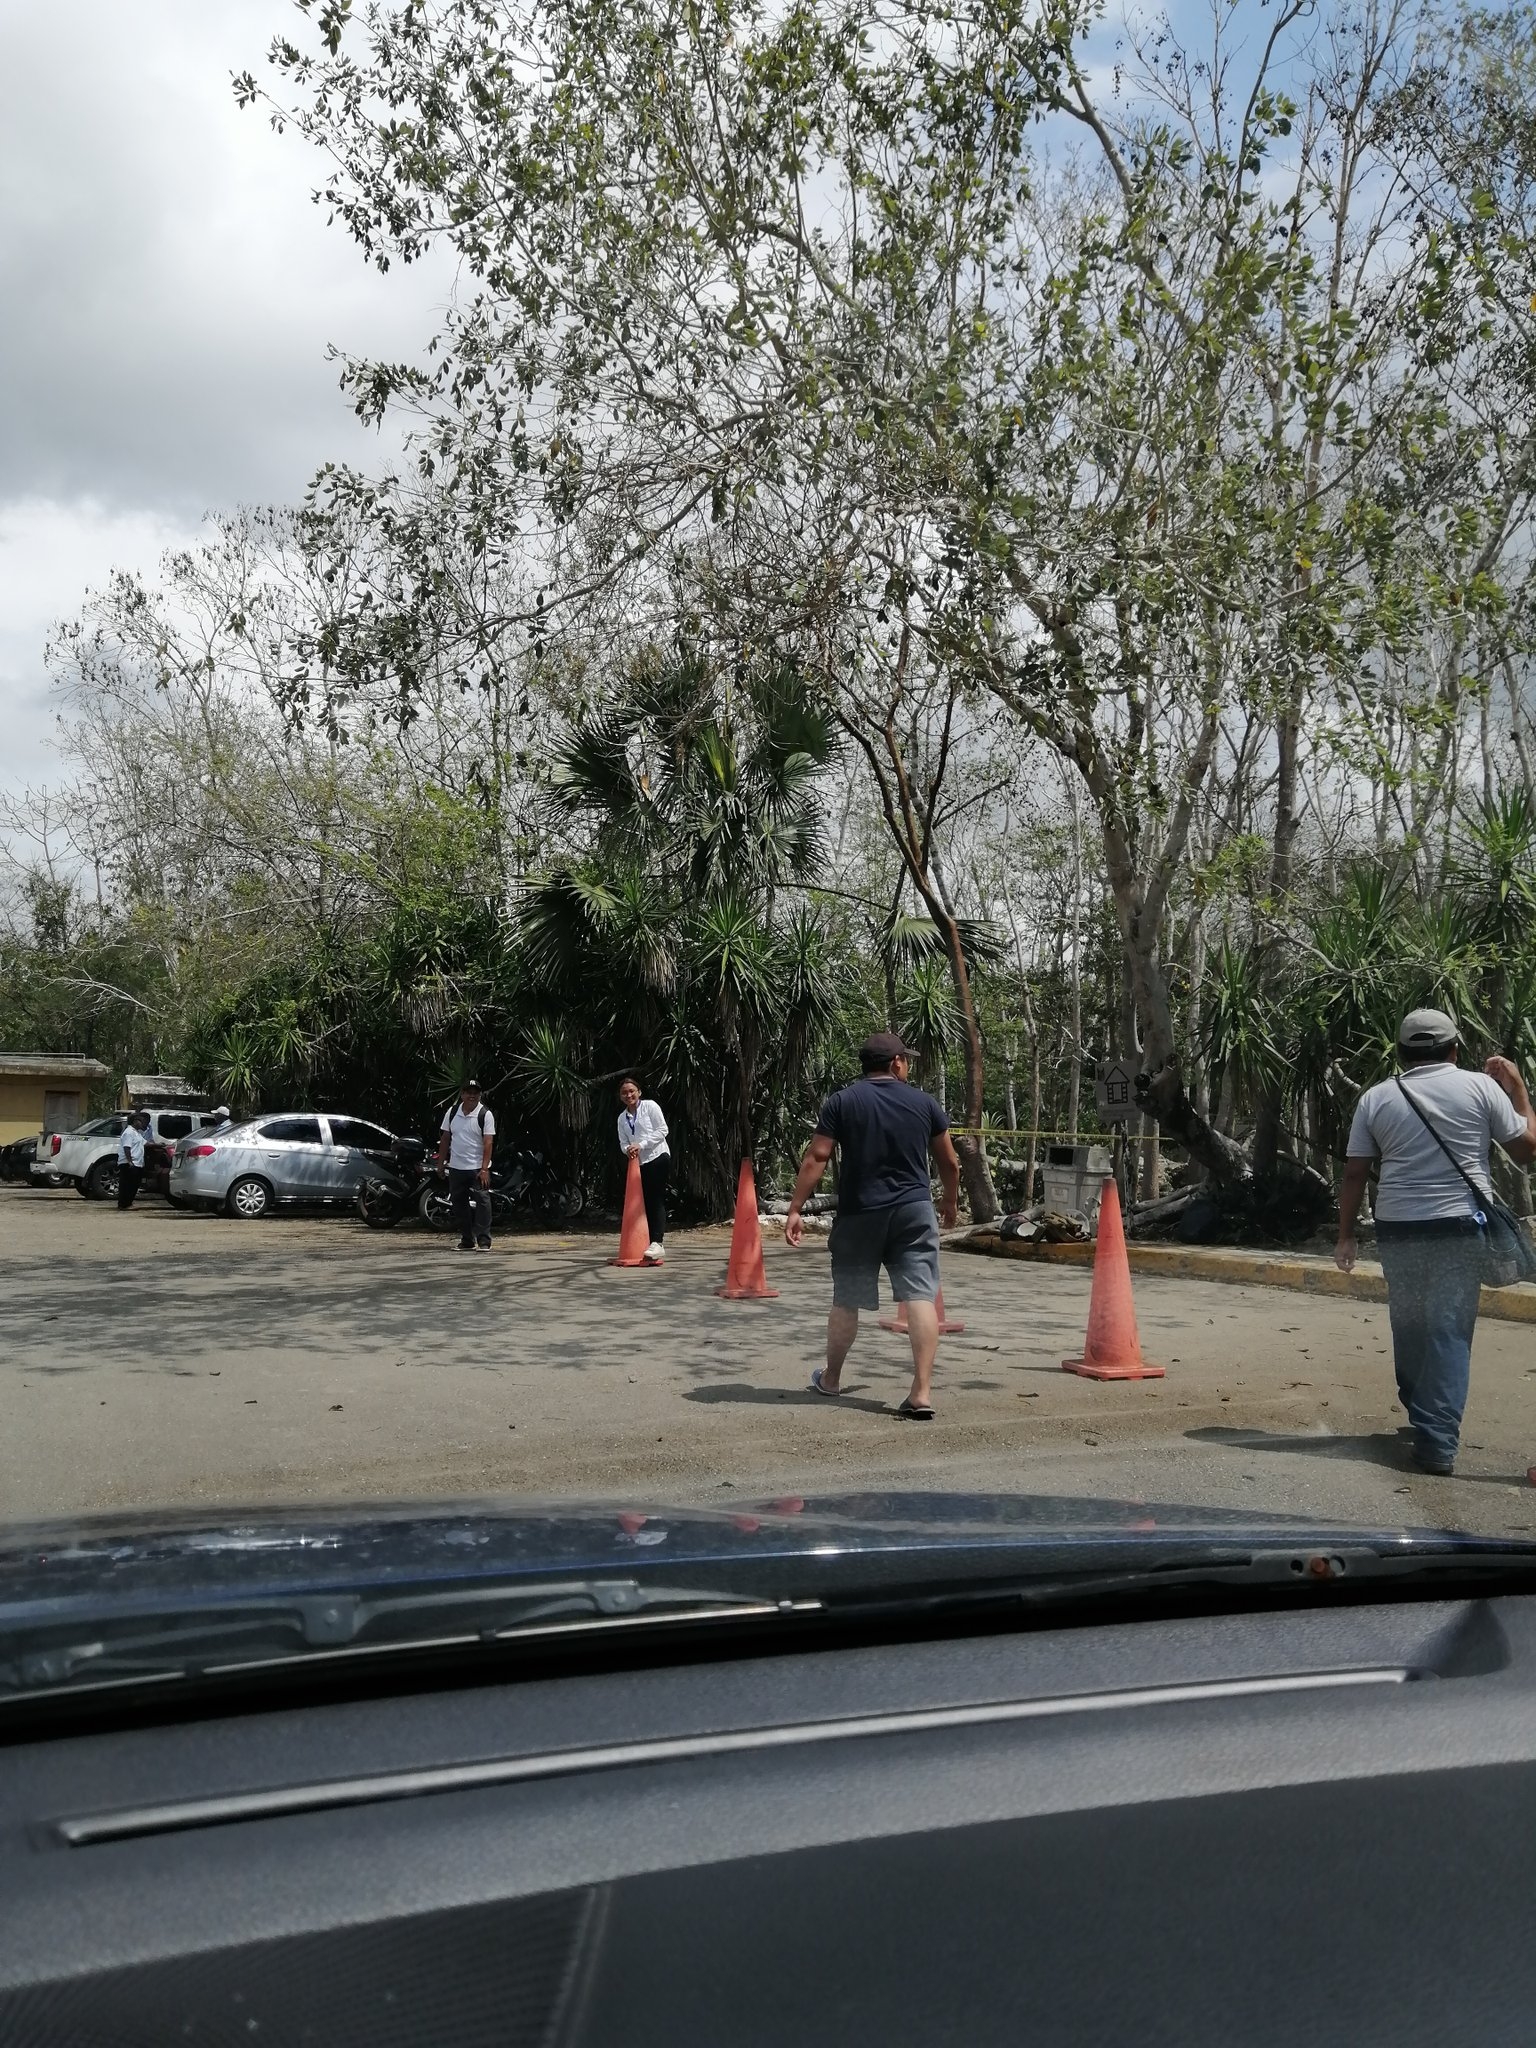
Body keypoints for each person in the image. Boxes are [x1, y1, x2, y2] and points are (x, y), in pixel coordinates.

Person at [1336, 1008, 1536, 1476]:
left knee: (1409, 1324)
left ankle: (1425, 1417)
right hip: (1458, 1227)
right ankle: (1436, 1442)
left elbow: (1354, 1173)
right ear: (1454, 1048)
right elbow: (1527, 1149)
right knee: (1447, 1329)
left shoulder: (1377, 1097)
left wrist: (1346, 1236)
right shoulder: (1481, 1087)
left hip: (1398, 1227)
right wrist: (1520, 1090)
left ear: (1402, 1053)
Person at [785, 1030, 961, 1419]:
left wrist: (796, 1207)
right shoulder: (924, 1103)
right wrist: (949, 1200)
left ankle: (831, 1379)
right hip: (913, 1212)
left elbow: (817, 1155)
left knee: (847, 1299)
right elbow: (950, 1162)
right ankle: (922, 1392)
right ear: (897, 1062)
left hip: (859, 1213)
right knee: (919, 1295)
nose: (908, 1065)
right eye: (907, 1059)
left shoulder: (842, 1102)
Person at [434, 1079, 496, 1252]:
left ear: (479, 1095)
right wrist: (441, 1164)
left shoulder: (485, 1114)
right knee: (458, 1204)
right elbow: (446, 1138)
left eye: (475, 1093)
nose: (472, 1096)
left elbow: (488, 1142)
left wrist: (484, 1169)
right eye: (468, 1092)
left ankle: (484, 1240)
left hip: (476, 1168)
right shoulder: (452, 1112)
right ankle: (467, 1240)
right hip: (456, 1167)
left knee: (483, 1203)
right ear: (462, 1094)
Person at [616, 1077, 670, 1265]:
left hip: (657, 1156)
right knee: (642, 1202)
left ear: (639, 1092)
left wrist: (642, 1144)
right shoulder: (622, 1118)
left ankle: (658, 1242)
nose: (628, 1095)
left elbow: (663, 1130)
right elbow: (623, 1142)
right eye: (624, 1092)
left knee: (655, 1198)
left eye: (632, 1091)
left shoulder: (650, 1107)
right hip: (638, 1164)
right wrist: (629, 1149)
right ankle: (644, 1241)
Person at [116, 1111, 151, 1211]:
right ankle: (124, 1204)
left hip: (137, 1163)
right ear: (135, 1121)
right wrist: (130, 1161)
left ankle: (128, 1203)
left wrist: (160, 1145)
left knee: (134, 1184)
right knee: (127, 1185)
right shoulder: (129, 1132)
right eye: (141, 1121)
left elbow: (145, 1143)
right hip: (129, 1163)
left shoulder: (136, 1133)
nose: (143, 1123)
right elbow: (127, 1148)